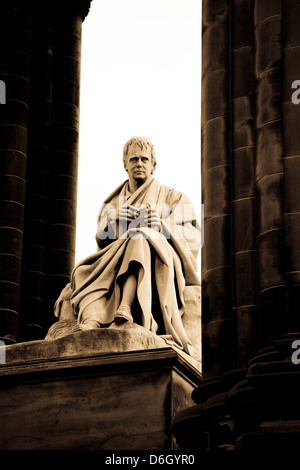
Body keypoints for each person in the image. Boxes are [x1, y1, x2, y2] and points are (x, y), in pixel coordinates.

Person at [54, 137, 201, 356]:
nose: (139, 164)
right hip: (115, 260)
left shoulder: (174, 197)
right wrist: (112, 222)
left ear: (153, 164)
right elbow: (102, 244)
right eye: (133, 159)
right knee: (81, 271)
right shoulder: (113, 203)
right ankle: (94, 316)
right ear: (125, 164)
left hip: (158, 260)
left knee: (140, 236)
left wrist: (162, 226)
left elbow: (193, 238)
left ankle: (126, 307)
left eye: (144, 159)